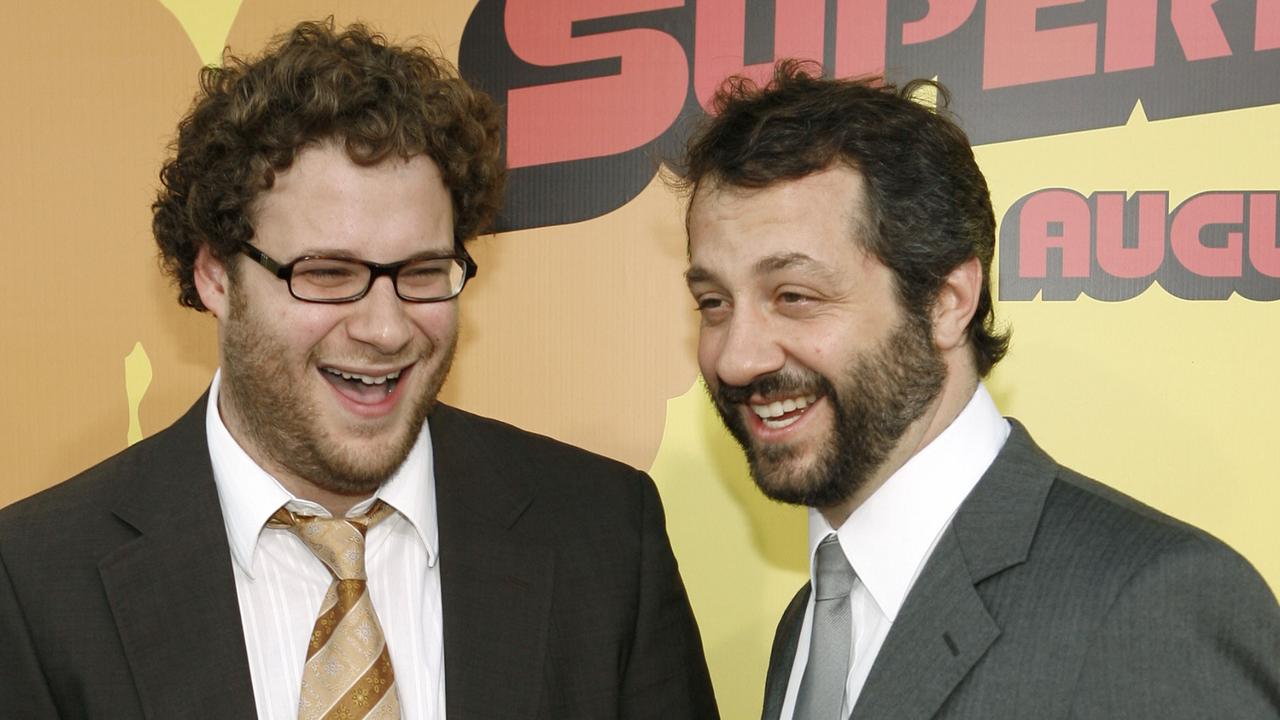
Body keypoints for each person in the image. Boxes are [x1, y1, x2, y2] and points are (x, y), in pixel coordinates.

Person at [0, 20, 716, 720]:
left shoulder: (605, 538)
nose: (384, 328)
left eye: (423, 271)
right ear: (216, 276)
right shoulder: (36, 582)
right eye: (327, 273)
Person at [678, 61, 1279, 719]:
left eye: (794, 296)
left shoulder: (1150, 604)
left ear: (946, 301)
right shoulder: (815, 620)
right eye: (713, 302)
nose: (737, 358)